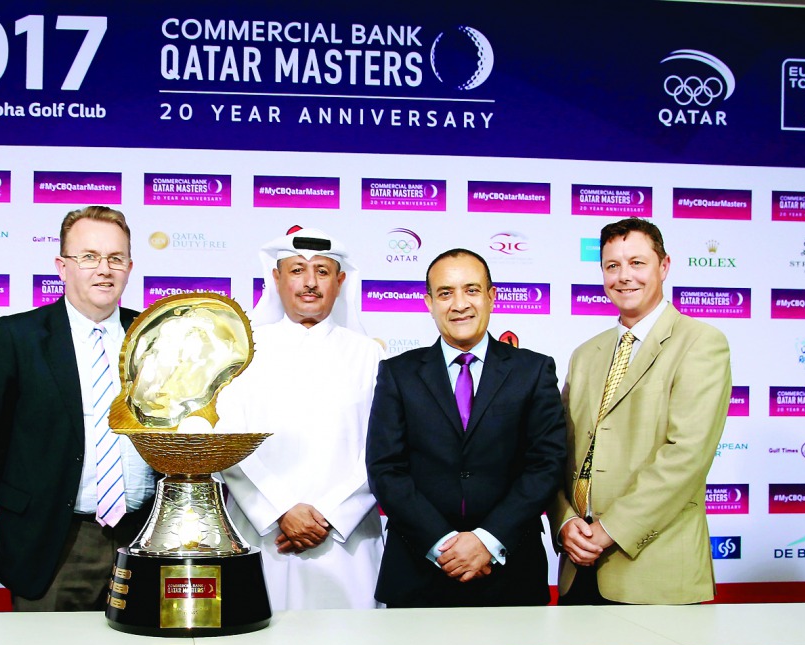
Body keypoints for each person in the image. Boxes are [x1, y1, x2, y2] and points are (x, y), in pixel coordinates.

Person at [0, 206, 154, 610]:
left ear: (129, 267)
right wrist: (33, 499)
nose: (104, 269)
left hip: (142, 539)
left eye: (116, 258)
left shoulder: (154, 336)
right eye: (89, 257)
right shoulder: (17, 337)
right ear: (62, 266)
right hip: (53, 543)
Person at [366, 248, 565, 607]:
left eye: (471, 290)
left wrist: (487, 540)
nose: (460, 304)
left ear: (491, 296)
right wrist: (443, 545)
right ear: (429, 302)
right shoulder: (398, 373)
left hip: (511, 571)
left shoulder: (533, 371)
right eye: (445, 293)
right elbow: (386, 469)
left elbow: (546, 465)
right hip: (418, 570)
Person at [549, 218, 731, 604]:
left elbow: (686, 456)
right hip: (578, 567)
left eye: (637, 263)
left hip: (654, 572)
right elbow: (556, 452)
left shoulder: (700, 343)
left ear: (664, 266)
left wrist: (609, 530)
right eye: (612, 265)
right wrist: (564, 521)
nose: (624, 276)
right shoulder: (586, 354)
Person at [215, 226, 385, 609]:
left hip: (347, 541)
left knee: (351, 642)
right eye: (297, 270)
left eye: (322, 271)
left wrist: (331, 514)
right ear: (276, 278)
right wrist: (280, 510)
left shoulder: (369, 355)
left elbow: (383, 450)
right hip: (264, 535)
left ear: (340, 281)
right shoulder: (242, 353)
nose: (310, 282)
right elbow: (228, 443)